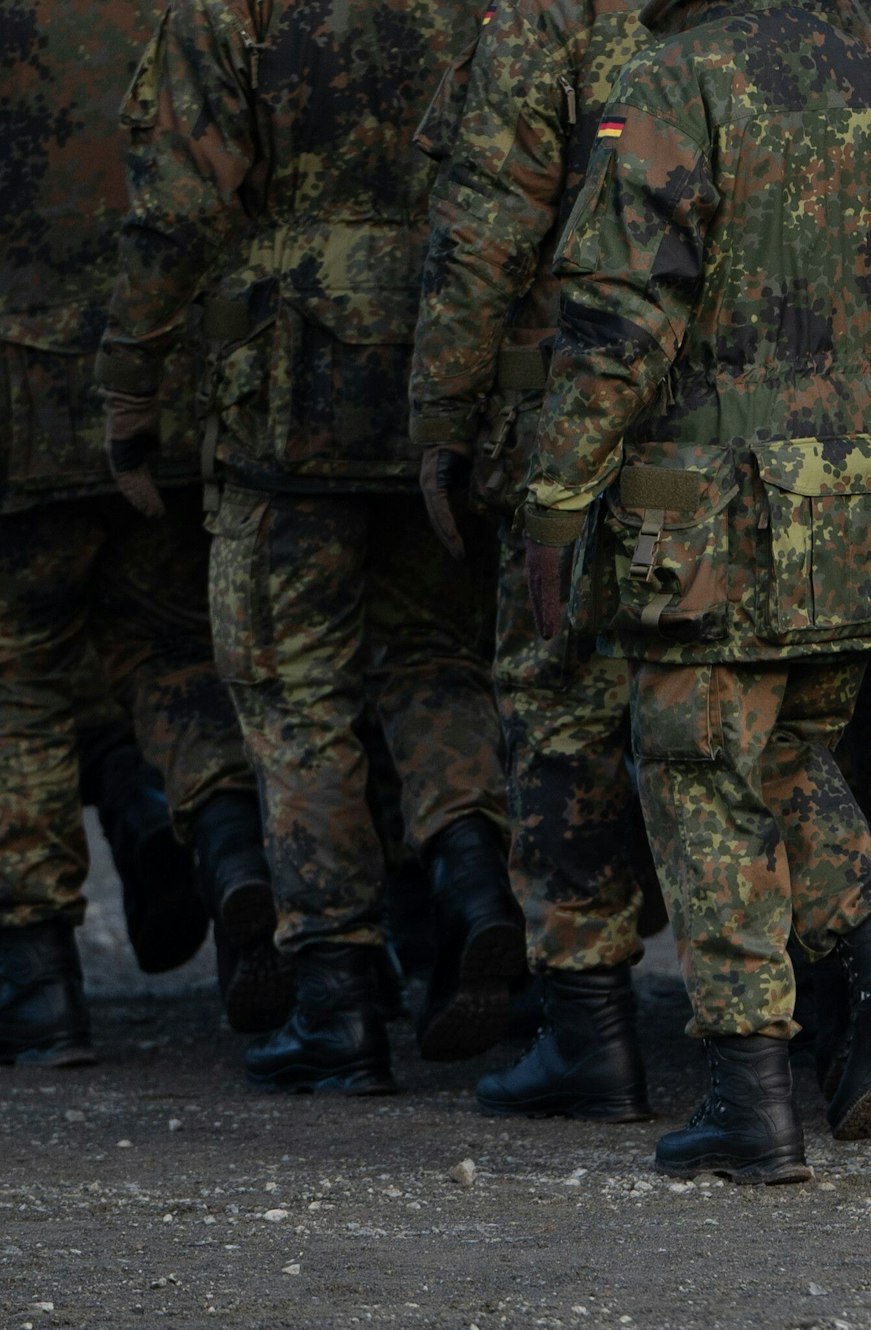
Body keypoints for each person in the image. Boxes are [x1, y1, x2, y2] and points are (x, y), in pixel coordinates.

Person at [523, 0, 871, 1184]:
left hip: (709, 504)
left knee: (701, 779)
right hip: (855, 487)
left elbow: (622, 315)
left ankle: (749, 1096)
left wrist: (556, 496)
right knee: (782, 761)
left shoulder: (674, 79)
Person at [98, 0, 520, 1095]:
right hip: (446, 360)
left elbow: (179, 204)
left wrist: (130, 379)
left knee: (293, 692)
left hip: (290, 381)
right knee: (437, 659)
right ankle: (477, 891)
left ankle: (338, 994)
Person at [0, 0, 280, 1067]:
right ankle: (231, 848)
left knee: (19, 676)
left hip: (26, 387)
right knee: (174, 649)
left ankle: (36, 981)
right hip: (173, 386)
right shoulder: (199, 10)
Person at [409, 0, 665, 1123]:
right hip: (750, 417)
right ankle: (853, 1000)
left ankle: (589, 1031)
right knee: (747, 707)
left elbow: (485, 230)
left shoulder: (546, 19)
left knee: (559, 700)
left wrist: (441, 413)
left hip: (570, 401)